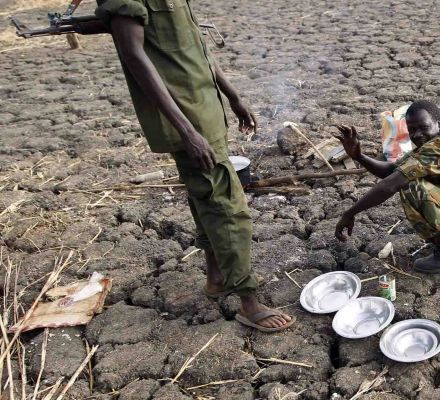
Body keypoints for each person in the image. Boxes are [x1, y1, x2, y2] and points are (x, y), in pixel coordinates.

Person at [95, 0, 293, 332]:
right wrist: (187, 130)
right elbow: (133, 55)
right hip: (186, 115)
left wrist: (232, 95)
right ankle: (249, 302)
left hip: (204, 107)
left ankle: (216, 277)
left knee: (205, 193)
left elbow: (193, 47)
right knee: (227, 205)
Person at [335, 100, 440, 273]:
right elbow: (391, 170)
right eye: (412, 131)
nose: (417, 135)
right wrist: (359, 156)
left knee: (411, 185)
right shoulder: (435, 143)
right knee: (407, 177)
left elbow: (390, 184)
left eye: (423, 127)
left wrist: (349, 213)